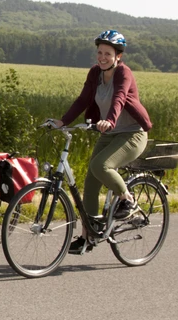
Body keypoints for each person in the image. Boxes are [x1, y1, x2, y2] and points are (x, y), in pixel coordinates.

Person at [51, 30, 152, 255]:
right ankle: (89, 235)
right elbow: (83, 99)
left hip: (133, 133)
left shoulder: (123, 73)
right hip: (109, 133)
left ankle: (128, 200)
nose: (102, 57)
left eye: (108, 53)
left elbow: (119, 97)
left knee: (101, 166)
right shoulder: (95, 73)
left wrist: (109, 120)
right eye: (99, 52)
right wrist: (63, 121)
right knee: (91, 179)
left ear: (118, 56)